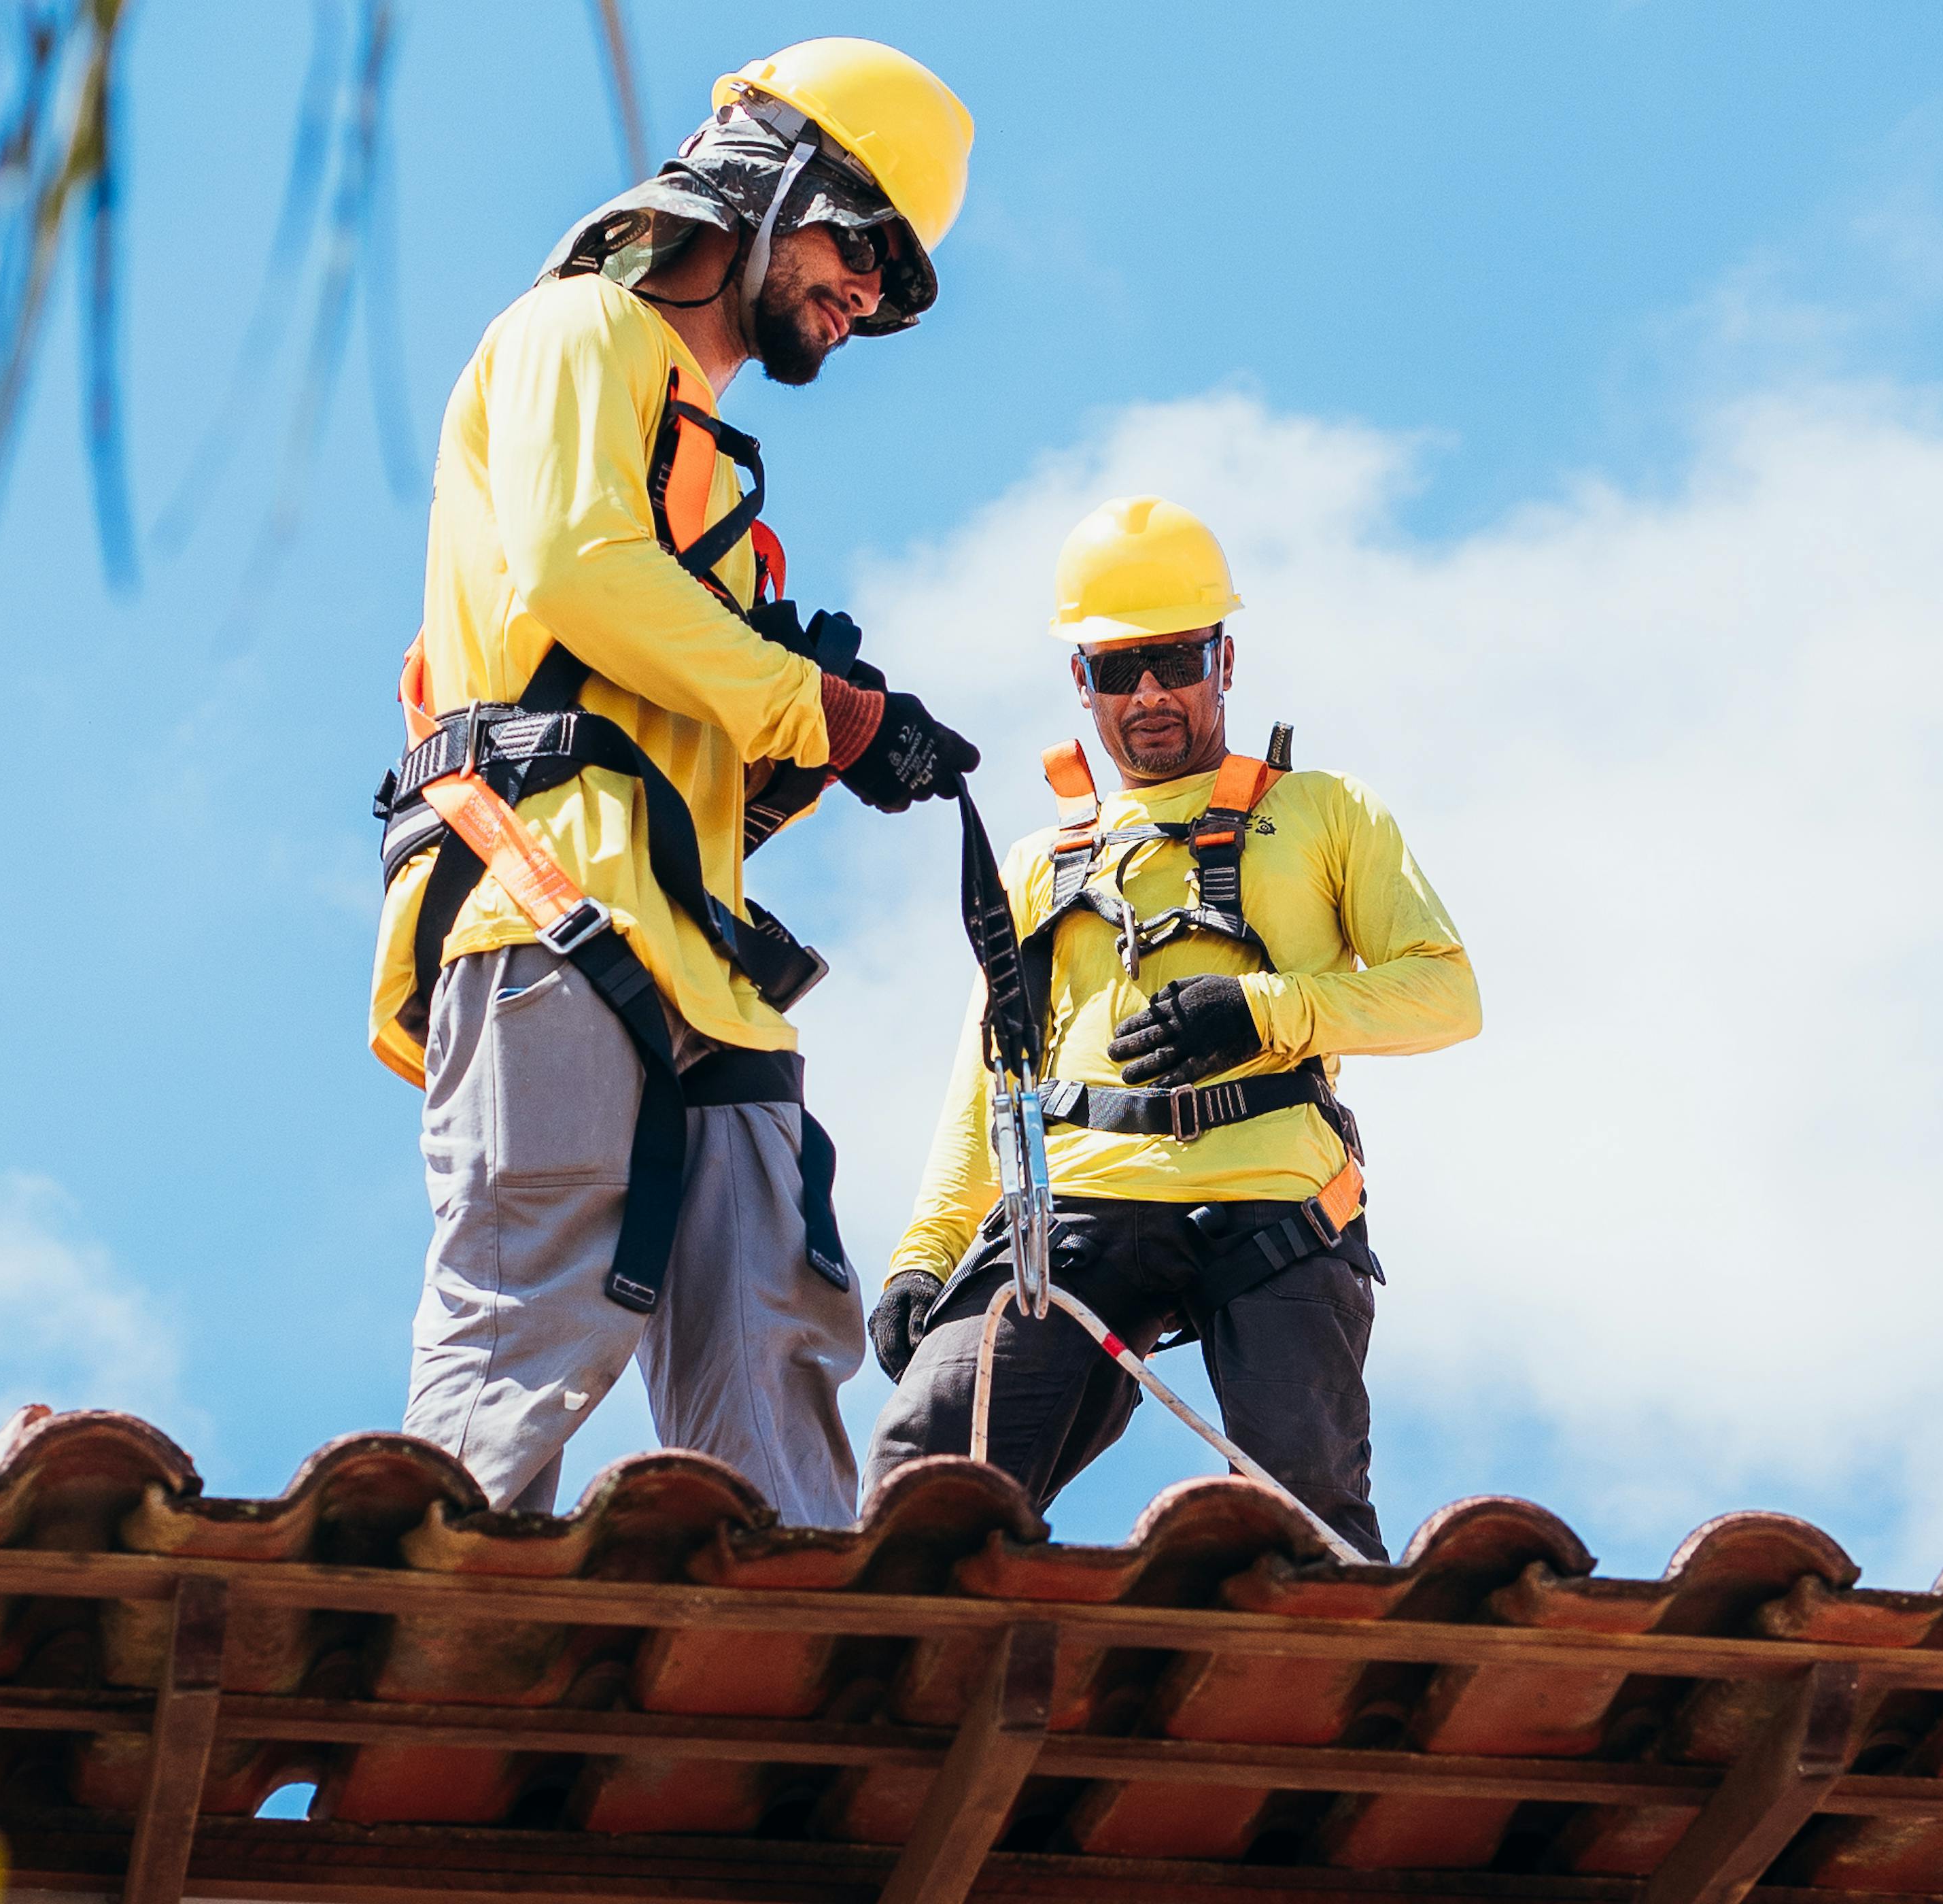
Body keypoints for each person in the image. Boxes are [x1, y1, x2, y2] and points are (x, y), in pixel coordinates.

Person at [368, 40, 984, 1526]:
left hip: (696, 955)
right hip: (546, 892)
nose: (863, 301)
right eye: (862, 252)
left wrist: (828, 739)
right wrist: (802, 701)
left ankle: (799, 1707)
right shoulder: (578, 332)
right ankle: (417, 1636)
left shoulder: (717, 497)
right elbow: (582, 574)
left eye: (892, 290)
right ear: (771, 185)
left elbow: (689, 735)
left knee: (774, 1338)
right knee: (534, 1303)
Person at [858, 496, 1479, 1559]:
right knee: (927, 1473)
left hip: (1275, 1208)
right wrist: (927, 1252)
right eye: (1118, 668)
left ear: (1225, 660)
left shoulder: (1325, 813)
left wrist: (1265, 1011)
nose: (1149, 693)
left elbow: (1444, 996)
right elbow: (991, 1079)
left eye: (1177, 660)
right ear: (1082, 683)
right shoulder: (1041, 864)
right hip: (1079, 1206)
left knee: (1309, 1526)